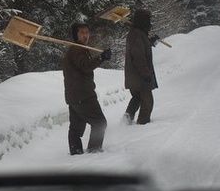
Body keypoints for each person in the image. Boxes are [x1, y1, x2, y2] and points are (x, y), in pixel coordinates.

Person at [62, 22, 111, 154]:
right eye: (82, 32)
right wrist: (101, 58)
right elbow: (86, 66)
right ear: (76, 35)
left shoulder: (77, 49)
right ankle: (94, 151)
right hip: (83, 95)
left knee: (76, 129)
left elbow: (84, 65)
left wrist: (100, 58)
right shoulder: (77, 49)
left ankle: (76, 153)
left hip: (74, 96)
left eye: (87, 32)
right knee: (100, 123)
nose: (85, 35)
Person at [123, 9, 159, 125]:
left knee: (137, 97)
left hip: (134, 76)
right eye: (148, 20)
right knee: (147, 102)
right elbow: (138, 56)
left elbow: (141, 46)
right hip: (139, 76)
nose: (150, 23)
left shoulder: (137, 33)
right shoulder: (137, 34)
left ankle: (126, 121)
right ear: (143, 21)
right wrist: (145, 73)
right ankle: (142, 126)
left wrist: (150, 42)